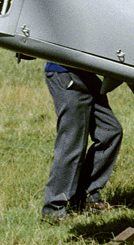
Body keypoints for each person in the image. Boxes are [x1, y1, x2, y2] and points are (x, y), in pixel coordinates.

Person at [42, 62, 122, 221]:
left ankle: (86, 196)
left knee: (110, 132)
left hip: (87, 74)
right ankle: (53, 209)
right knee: (72, 142)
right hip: (65, 72)